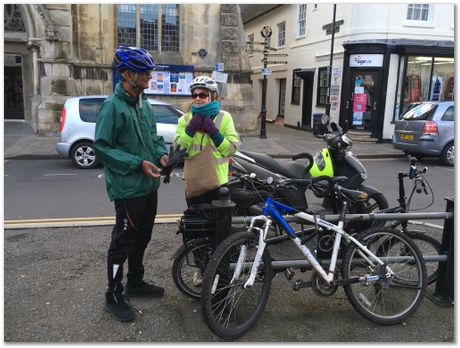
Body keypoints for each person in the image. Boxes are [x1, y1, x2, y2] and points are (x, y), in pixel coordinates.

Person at [94, 46, 169, 322]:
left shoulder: (143, 102)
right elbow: (102, 147)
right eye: (144, 72)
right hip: (128, 189)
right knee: (122, 241)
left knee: (143, 237)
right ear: (126, 74)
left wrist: (160, 152)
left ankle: (135, 282)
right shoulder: (112, 106)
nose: (149, 76)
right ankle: (113, 295)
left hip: (149, 187)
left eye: (149, 72)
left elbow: (153, 136)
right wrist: (137, 163)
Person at [173, 76, 240, 285]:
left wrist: (213, 131)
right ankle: (202, 270)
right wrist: (190, 129)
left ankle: (220, 271)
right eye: (194, 95)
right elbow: (178, 150)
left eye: (202, 94)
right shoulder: (185, 120)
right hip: (194, 186)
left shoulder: (224, 117)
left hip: (219, 187)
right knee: (196, 231)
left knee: (219, 232)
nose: (198, 98)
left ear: (213, 96)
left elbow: (232, 148)